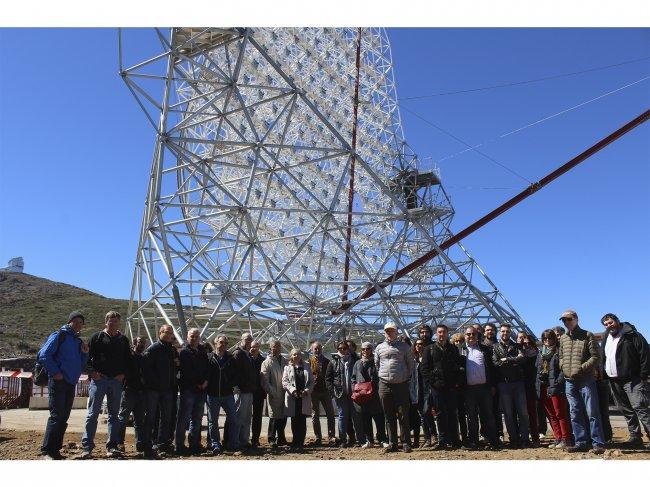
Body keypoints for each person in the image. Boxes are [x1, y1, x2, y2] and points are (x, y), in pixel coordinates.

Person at [39, 311, 89, 460]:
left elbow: (81, 363)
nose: (79, 325)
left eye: (81, 323)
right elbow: (44, 355)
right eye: (76, 321)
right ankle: (47, 450)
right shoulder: (59, 335)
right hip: (58, 381)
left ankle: (56, 450)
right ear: (70, 321)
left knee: (64, 416)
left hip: (70, 382)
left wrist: (85, 353)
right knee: (56, 415)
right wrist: (55, 372)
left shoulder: (78, 341)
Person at [81, 310, 131, 459]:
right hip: (99, 380)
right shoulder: (96, 338)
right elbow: (86, 359)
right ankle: (87, 447)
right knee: (92, 414)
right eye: (111, 321)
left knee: (113, 415)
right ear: (106, 322)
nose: (113, 323)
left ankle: (112, 446)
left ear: (119, 323)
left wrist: (123, 375)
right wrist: (92, 373)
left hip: (116, 381)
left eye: (116, 321)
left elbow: (128, 361)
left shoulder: (124, 340)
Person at [558, 309, 606, 454]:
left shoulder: (587, 335)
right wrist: (563, 366)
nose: (566, 322)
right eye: (564, 320)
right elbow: (560, 356)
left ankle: (598, 443)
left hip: (585, 378)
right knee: (575, 412)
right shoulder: (563, 338)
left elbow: (596, 356)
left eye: (569, 319)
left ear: (576, 319)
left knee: (592, 411)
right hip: (569, 380)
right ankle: (581, 442)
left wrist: (581, 368)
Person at [601, 313, 650, 448]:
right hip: (614, 380)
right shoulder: (606, 337)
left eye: (610, 323)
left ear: (617, 320)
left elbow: (645, 354)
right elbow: (603, 357)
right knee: (625, 409)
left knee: (640, 408)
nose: (609, 326)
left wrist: (643, 375)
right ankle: (635, 437)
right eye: (606, 324)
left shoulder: (632, 335)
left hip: (633, 379)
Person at [421, 324, 464, 450]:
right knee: (440, 414)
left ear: (447, 333)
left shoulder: (453, 349)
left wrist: (456, 382)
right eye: (439, 332)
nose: (442, 334)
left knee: (452, 413)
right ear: (436, 333)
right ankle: (443, 441)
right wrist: (432, 382)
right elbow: (424, 368)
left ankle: (455, 440)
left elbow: (458, 366)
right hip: (437, 387)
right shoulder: (429, 349)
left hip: (451, 387)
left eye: (444, 332)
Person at [375, 322, 414, 453]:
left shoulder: (404, 347)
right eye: (387, 331)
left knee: (403, 415)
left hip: (401, 384)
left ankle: (405, 443)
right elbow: (377, 364)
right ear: (384, 332)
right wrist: (383, 376)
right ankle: (392, 443)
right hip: (384, 384)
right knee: (389, 415)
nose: (389, 333)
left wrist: (404, 377)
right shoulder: (379, 348)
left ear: (396, 332)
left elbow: (410, 364)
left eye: (392, 331)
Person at [141, 324, 179, 457]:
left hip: (168, 389)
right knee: (150, 417)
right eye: (166, 333)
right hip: (154, 390)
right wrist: (154, 383)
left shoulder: (172, 350)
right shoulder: (153, 349)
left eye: (171, 333)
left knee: (166, 418)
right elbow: (146, 369)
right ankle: (147, 445)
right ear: (160, 333)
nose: (169, 335)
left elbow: (176, 367)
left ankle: (162, 444)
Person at [492, 323, 531, 449]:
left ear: (510, 333)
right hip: (504, 384)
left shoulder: (517, 346)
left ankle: (525, 438)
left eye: (507, 331)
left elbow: (523, 359)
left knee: (523, 413)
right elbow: (495, 363)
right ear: (500, 333)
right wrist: (514, 360)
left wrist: (507, 360)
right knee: (508, 414)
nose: (505, 333)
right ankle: (513, 439)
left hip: (518, 382)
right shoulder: (495, 347)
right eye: (503, 331)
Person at [461, 326, 499, 450]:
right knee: (472, 418)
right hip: (468, 389)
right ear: (464, 335)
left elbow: (491, 369)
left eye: (473, 334)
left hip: (485, 388)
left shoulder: (485, 349)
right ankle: (473, 442)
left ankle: (493, 440)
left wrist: (492, 385)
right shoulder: (459, 350)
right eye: (468, 334)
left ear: (477, 336)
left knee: (488, 416)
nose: (471, 336)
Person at [174, 328, 209, 456]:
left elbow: (206, 368)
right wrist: (197, 383)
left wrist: (205, 381)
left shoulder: (202, 352)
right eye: (192, 336)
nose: (194, 338)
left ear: (199, 337)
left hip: (201, 391)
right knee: (183, 418)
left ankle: (194, 444)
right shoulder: (183, 353)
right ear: (187, 337)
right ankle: (179, 445)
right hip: (188, 389)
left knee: (197, 419)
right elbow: (186, 371)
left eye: (196, 336)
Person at [538, 329, 573, 449]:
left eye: (550, 338)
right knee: (551, 415)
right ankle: (558, 438)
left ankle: (566, 439)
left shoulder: (559, 352)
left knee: (560, 414)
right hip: (544, 386)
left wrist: (557, 383)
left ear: (554, 339)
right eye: (545, 339)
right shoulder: (541, 353)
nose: (547, 341)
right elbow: (538, 369)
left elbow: (563, 370)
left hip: (556, 387)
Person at [206, 335, 239, 454]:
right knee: (213, 421)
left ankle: (233, 443)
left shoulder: (231, 358)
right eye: (220, 342)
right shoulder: (209, 357)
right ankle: (215, 444)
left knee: (233, 419)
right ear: (215, 343)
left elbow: (236, 375)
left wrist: (230, 384)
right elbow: (206, 374)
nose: (223, 345)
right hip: (212, 394)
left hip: (227, 394)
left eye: (225, 343)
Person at [325, 340, 363, 446]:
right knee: (342, 416)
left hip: (354, 394)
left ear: (348, 349)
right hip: (340, 394)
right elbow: (328, 379)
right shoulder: (333, 362)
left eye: (344, 348)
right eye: (340, 348)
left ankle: (360, 440)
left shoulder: (355, 360)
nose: (342, 350)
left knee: (356, 417)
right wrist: (333, 392)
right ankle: (342, 440)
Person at [352, 342, 387, 448]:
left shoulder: (376, 361)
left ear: (371, 350)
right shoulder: (357, 363)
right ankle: (369, 440)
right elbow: (353, 377)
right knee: (365, 419)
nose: (365, 351)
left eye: (367, 349)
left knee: (379, 418)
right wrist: (355, 388)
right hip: (363, 395)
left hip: (375, 394)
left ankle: (382, 439)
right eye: (363, 349)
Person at [117, 336, 147, 454]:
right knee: (123, 417)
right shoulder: (129, 357)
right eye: (140, 342)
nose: (142, 344)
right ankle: (119, 442)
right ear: (134, 343)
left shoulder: (144, 358)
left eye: (144, 342)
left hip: (141, 392)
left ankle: (140, 444)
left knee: (139, 420)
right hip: (129, 390)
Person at [282, 349, 314, 451]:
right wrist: (293, 391)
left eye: (298, 354)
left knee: (302, 420)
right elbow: (285, 381)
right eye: (294, 354)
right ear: (291, 356)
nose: (297, 356)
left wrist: (306, 391)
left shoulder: (307, 366)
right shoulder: (287, 368)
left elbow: (311, 382)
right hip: (293, 397)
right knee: (294, 420)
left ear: (301, 355)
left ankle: (301, 442)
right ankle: (295, 441)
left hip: (304, 397)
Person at [261, 339, 288, 450]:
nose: (276, 348)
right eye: (274, 346)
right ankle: (271, 438)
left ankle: (281, 438)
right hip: (274, 394)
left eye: (278, 346)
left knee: (283, 417)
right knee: (274, 417)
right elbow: (264, 380)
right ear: (270, 348)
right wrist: (272, 392)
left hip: (285, 393)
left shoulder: (284, 361)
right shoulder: (266, 362)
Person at [308, 341, 336, 445]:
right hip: (314, 391)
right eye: (315, 348)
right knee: (315, 415)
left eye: (319, 348)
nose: (317, 350)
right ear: (312, 350)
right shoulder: (309, 361)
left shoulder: (328, 361)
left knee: (330, 414)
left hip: (325, 391)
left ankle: (331, 436)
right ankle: (318, 437)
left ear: (321, 349)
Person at [232, 332, 256, 450]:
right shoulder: (238, 353)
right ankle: (235, 441)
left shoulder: (248, 355)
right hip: (241, 391)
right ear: (241, 340)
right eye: (246, 339)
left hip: (248, 390)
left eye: (250, 340)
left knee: (247, 418)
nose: (248, 341)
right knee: (239, 418)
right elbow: (234, 372)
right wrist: (238, 387)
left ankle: (244, 441)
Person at [412, 338, 435, 447]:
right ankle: (427, 438)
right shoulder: (414, 360)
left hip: (428, 389)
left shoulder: (428, 358)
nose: (418, 346)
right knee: (422, 414)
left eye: (421, 344)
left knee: (426, 411)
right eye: (416, 344)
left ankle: (433, 434)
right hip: (417, 390)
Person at [482, 323, 503, 441]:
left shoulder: (499, 345)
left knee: (496, 409)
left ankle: (499, 433)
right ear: (484, 332)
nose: (490, 332)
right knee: (485, 410)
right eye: (488, 330)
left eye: (492, 330)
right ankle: (486, 434)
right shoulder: (481, 346)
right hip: (484, 382)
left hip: (499, 380)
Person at [521, 334, 541, 447]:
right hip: (525, 388)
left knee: (537, 413)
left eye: (529, 343)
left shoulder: (539, 354)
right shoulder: (521, 356)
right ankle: (531, 438)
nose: (527, 345)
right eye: (525, 344)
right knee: (527, 414)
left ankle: (536, 438)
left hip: (537, 386)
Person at [250, 340, 266, 449]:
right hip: (246, 391)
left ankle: (255, 439)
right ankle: (243, 438)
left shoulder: (263, 361)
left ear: (259, 348)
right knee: (244, 416)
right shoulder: (246, 358)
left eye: (256, 347)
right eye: (252, 347)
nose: (254, 349)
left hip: (259, 393)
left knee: (257, 417)